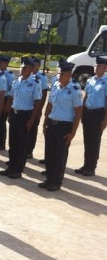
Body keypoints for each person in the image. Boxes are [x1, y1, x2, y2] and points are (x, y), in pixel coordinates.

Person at [39, 62, 82, 191]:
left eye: (62, 74)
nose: (59, 75)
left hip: (64, 126)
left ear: (69, 75)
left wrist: (73, 132)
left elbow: (78, 112)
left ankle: (56, 182)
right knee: (49, 154)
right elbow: (50, 105)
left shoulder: (75, 89)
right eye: (58, 73)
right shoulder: (56, 86)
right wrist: (45, 122)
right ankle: (49, 179)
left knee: (60, 156)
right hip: (52, 123)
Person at [0, 57, 41, 179]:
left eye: (24, 68)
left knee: (22, 144)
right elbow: (11, 97)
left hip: (25, 116)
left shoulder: (35, 83)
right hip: (15, 114)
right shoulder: (16, 81)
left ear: (31, 69)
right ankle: (10, 167)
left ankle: (18, 170)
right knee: (13, 143)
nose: (21, 69)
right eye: (21, 67)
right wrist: (9, 112)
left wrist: (32, 120)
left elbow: (37, 102)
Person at [75, 56, 107, 177]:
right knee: (87, 140)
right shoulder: (91, 80)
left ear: (105, 68)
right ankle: (85, 165)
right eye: (95, 65)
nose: (95, 67)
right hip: (88, 113)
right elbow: (86, 97)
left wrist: (105, 121)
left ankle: (91, 167)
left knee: (94, 141)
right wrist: (82, 113)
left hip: (98, 114)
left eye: (98, 66)